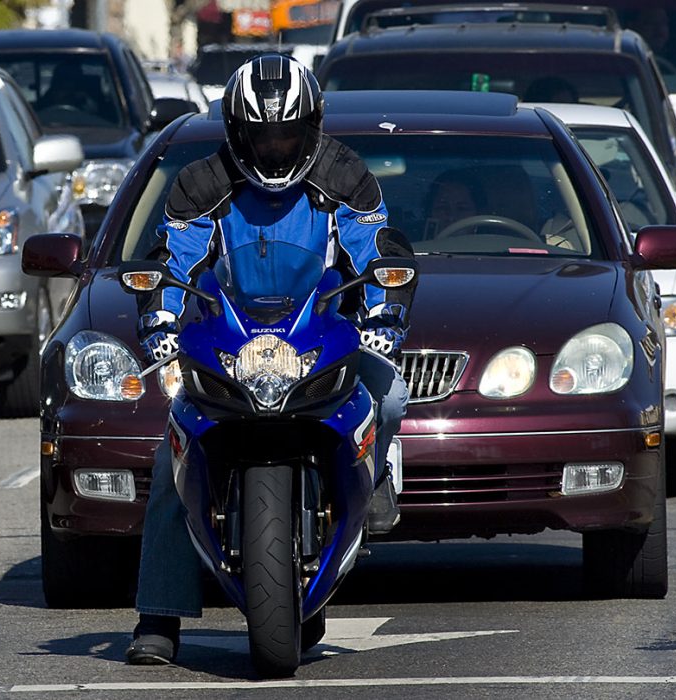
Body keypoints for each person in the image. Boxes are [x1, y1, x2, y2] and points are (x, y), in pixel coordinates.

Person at [124, 54, 414, 666]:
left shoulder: (346, 175)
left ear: (312, 128)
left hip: (322, 327)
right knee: (174, 445)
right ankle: (158, 617)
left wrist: (385, 315)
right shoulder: (200, 184)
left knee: (388, 393)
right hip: (230, 335)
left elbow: (375, 249)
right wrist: (159, 321)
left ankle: (378, 477)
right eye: (262, 134)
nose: (277, 147)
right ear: (237, 131)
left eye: (287, 133)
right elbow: (171, 265)